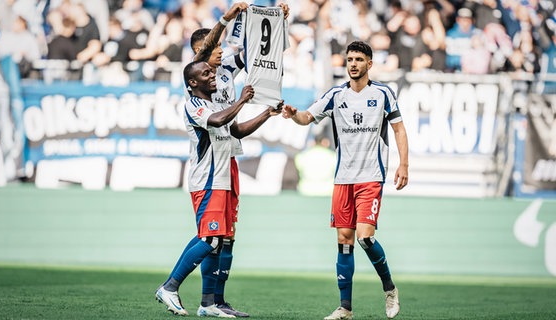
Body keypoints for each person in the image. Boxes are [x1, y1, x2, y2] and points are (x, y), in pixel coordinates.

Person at [162, 2, 289, 317]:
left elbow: (263, 57)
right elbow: (218, 119)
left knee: (225, 237)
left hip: (227, 161)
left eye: (218, 48)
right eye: (210, 51)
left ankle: (212, 302)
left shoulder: (225, 73)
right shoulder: (196, 87)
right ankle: (170, 286)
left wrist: (278, 24)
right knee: (211, 234)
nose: (217, 53)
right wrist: (227, 18)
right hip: (207, 174)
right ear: (198, 56)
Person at [282, 40, 409, 320]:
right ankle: (345, 308)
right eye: (350, 59)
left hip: (371, 177)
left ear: (369, 64)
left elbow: (399, 129)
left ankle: (389, 289)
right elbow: (307, 117)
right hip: (343, 179)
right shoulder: (336, 95)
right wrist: (294, 116)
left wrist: (403, 164)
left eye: (359, 59)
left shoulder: (383, 93)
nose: (353, 64)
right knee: (344, 240)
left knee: (365, 238)